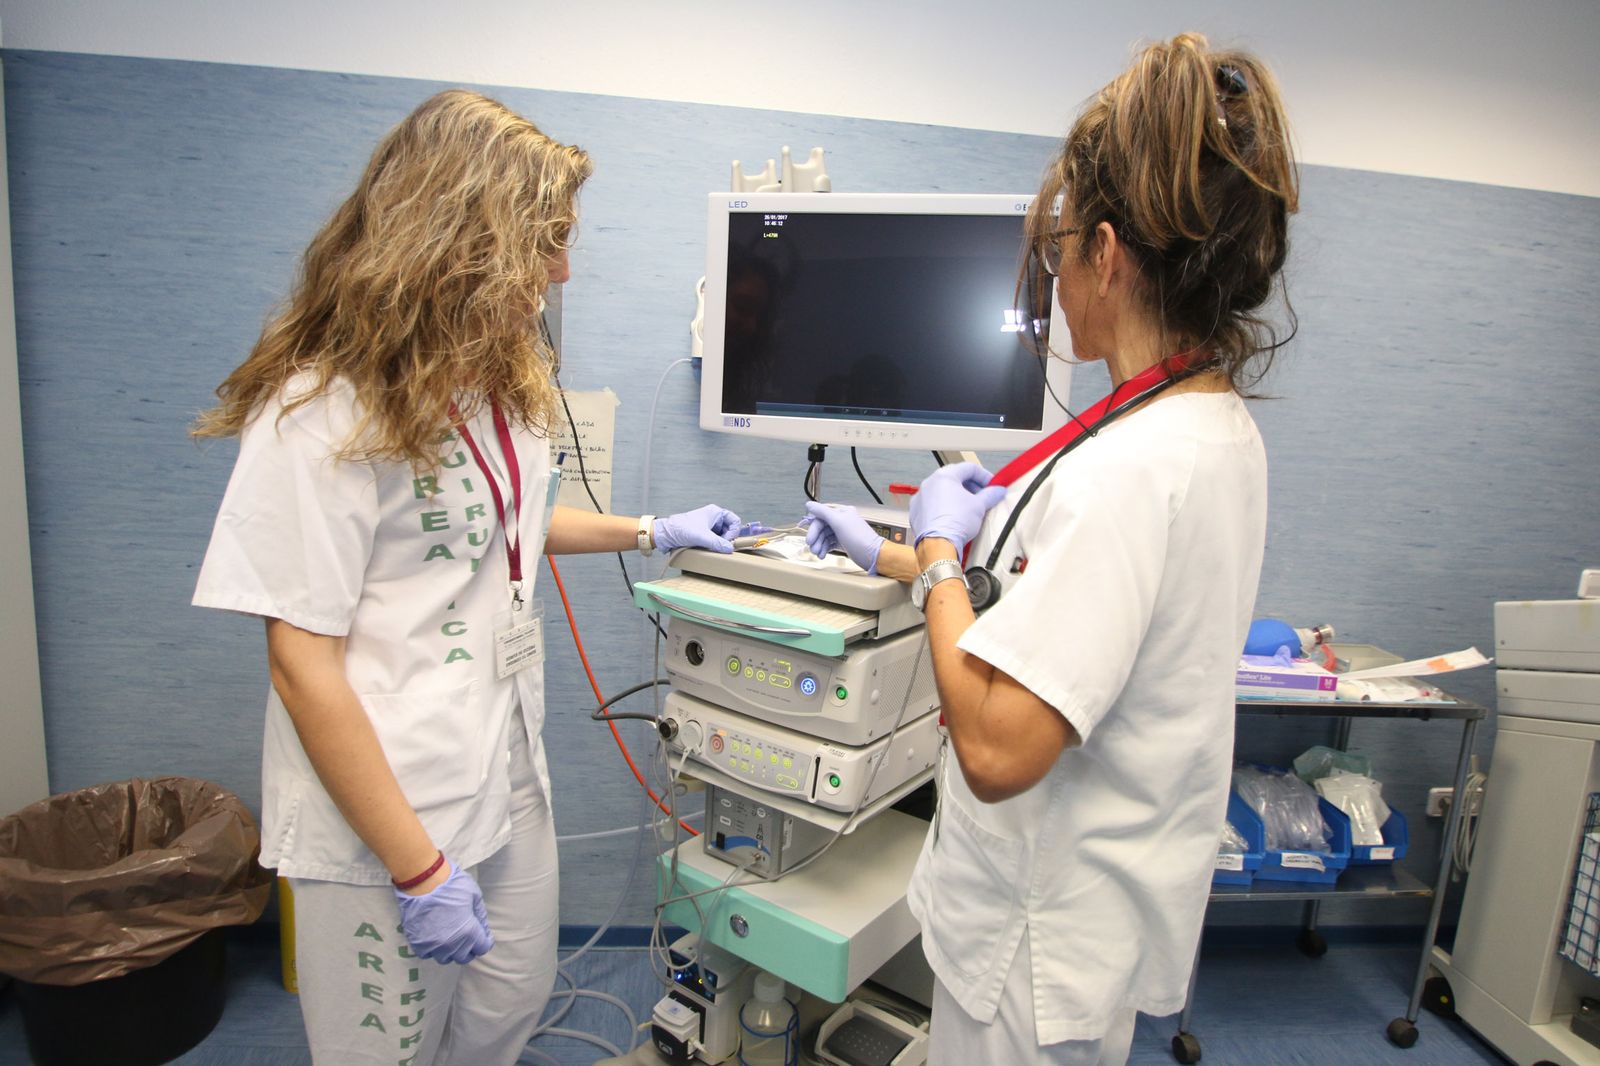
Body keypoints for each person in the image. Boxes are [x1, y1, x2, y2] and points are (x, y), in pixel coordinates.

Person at [191, 89, 746, 1066]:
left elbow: (508, 527)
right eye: (546, 241)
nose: (563, 269)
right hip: (386, 811)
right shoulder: (320, 410)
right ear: (460, 238)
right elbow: (299, 662)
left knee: (503, 1012)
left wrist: (650, 528)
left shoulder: (492, 384)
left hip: (502, 763)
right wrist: (415, 867)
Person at [802, 33, 1297, 1066]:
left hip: (1035, 943)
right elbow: (1053, 611)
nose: (1055, 280)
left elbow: (994, 748)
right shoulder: (1207, 428)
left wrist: (934, 552)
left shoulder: (1127, 470)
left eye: (1060, 252)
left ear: (1105, 257)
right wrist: (891, 556)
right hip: (1081, 909)